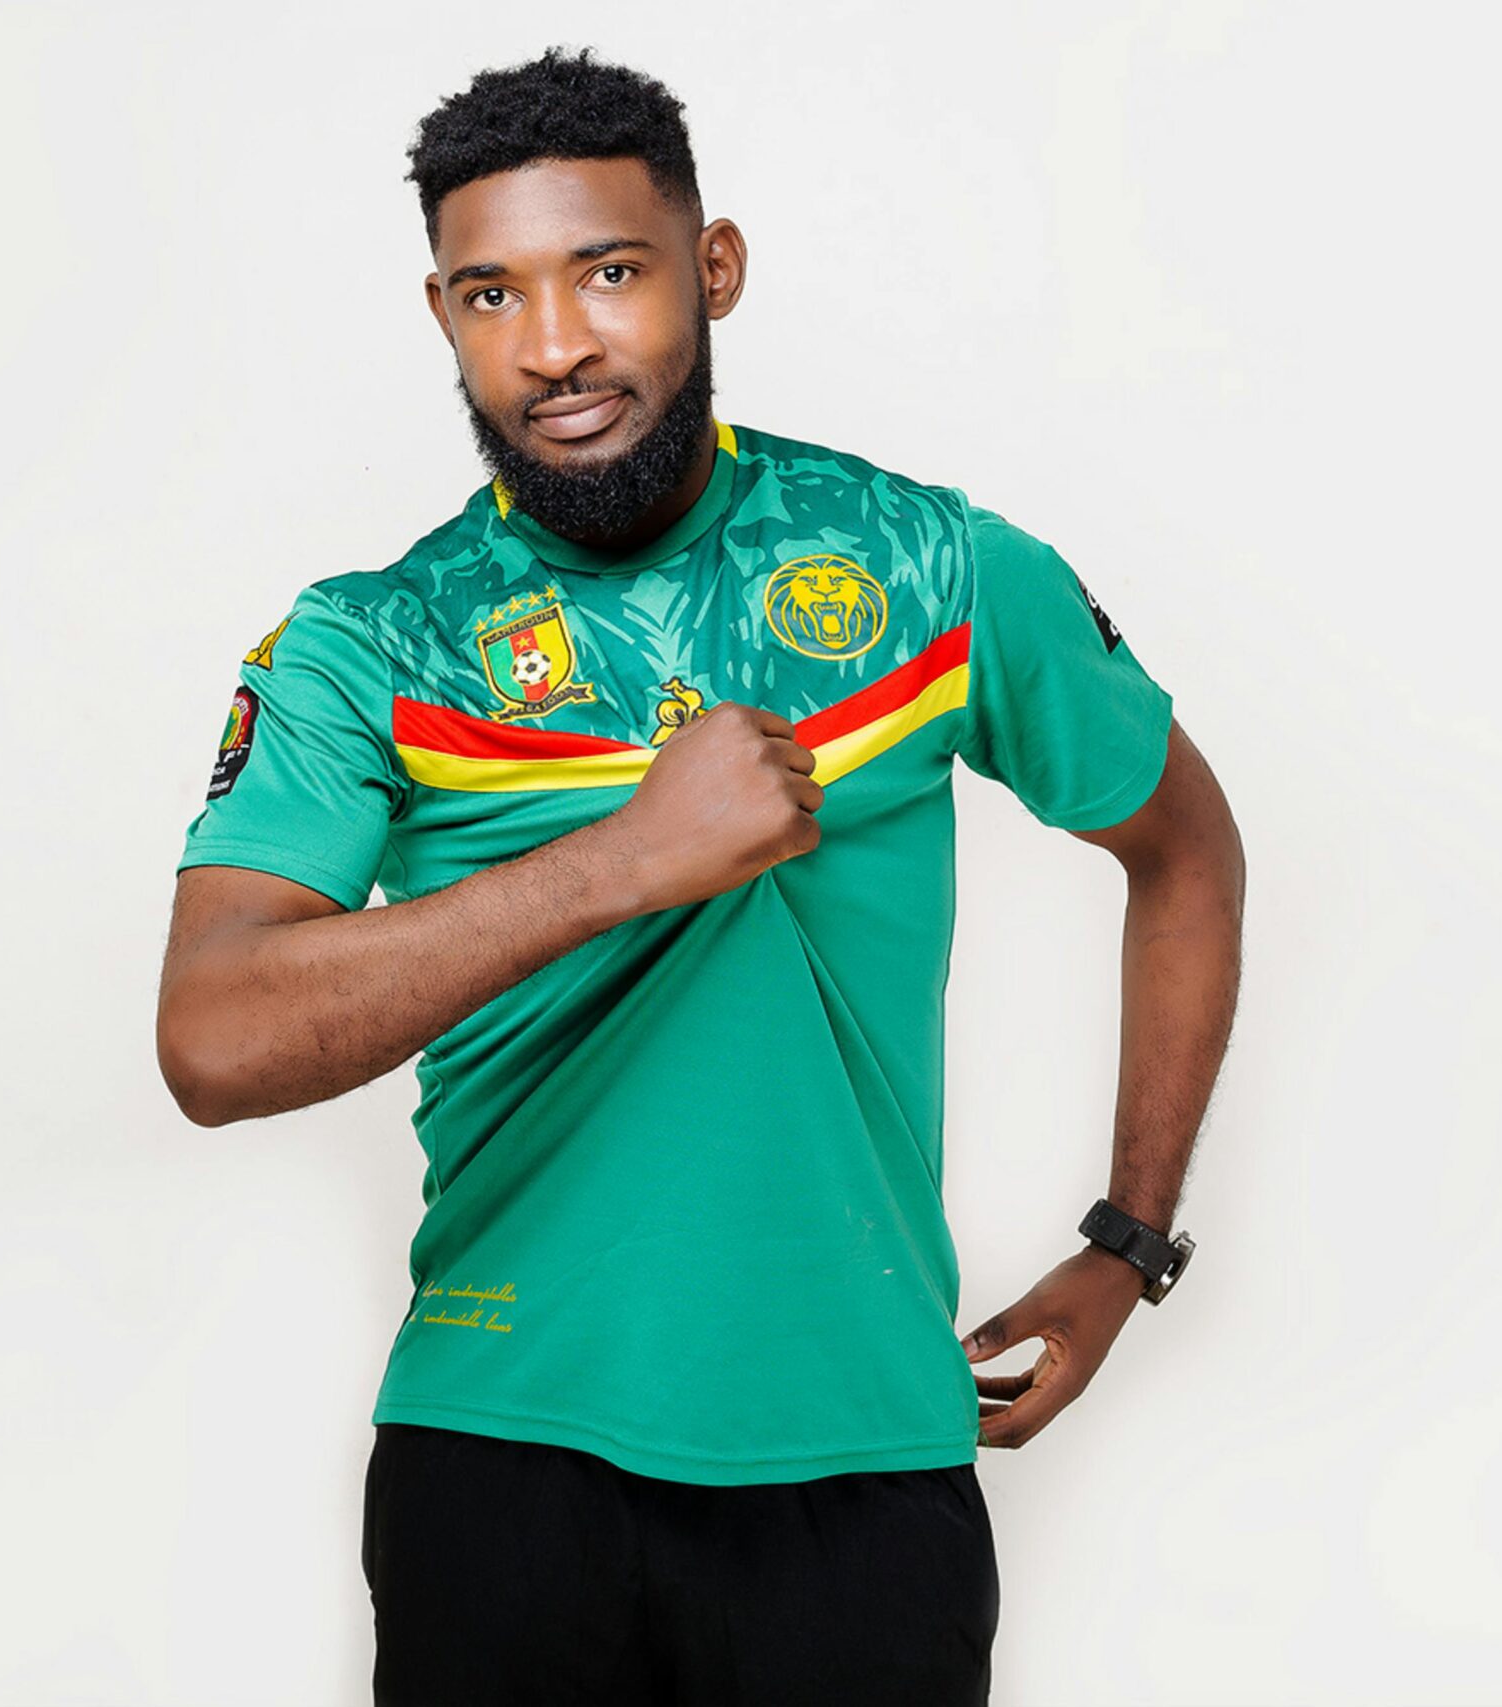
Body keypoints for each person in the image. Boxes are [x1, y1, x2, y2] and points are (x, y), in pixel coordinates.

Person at [155, 45, 1247, 1707]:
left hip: (866, 1462)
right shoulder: (367, 641)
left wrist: (1129, 1241)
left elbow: (1185, 851)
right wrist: (628, 860)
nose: (555, 345)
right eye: (490, 294)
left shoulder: (928, 565)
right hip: (498, 1453)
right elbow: (213, 1044)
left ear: (710, 267)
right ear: (442, 316)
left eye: (608, 271)